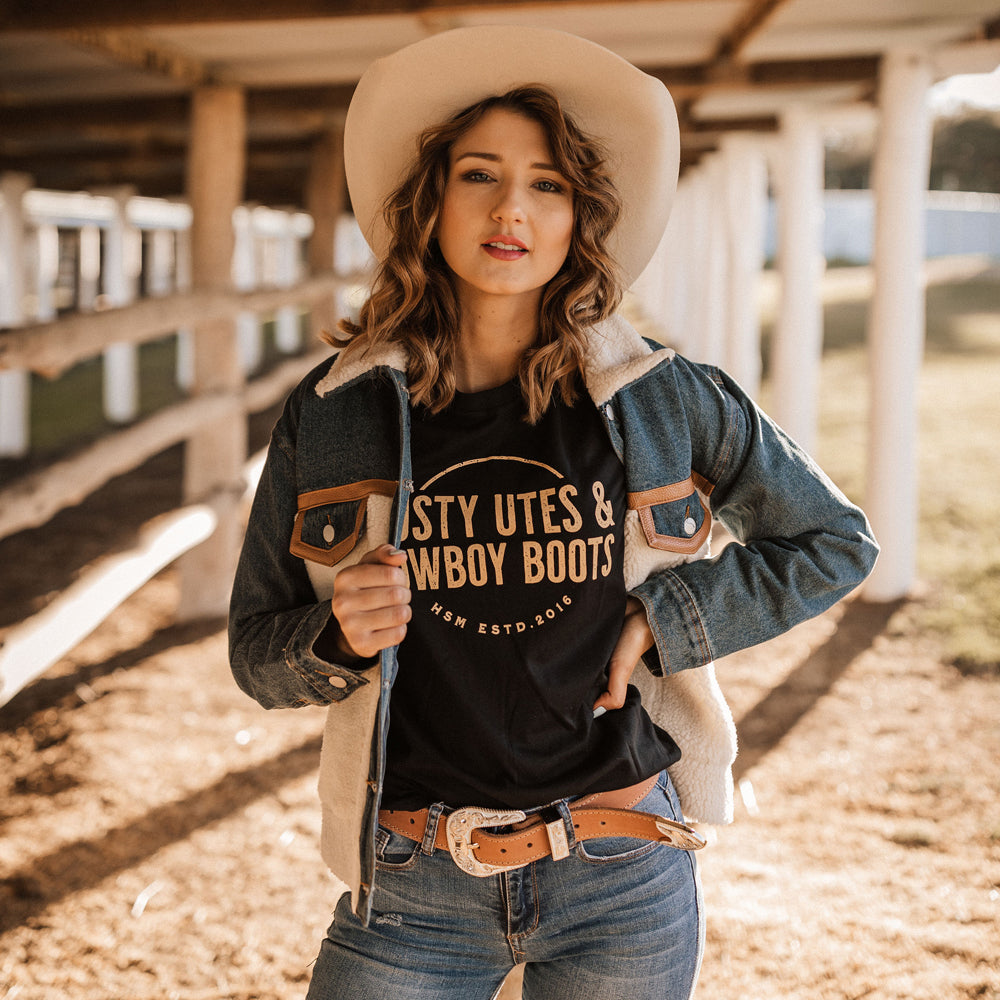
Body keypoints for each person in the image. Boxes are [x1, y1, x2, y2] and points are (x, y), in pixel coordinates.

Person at [228, 25, 878, 1000]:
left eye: (546, 184)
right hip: (411, 887)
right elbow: (254, 648)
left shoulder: (664, 399)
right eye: (478, 175)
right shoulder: (337, 414)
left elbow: (834, 541)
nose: (511, 209)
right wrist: (335, 636)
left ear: (579, 215)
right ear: (430, 201)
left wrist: (668, 617)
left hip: (621, 870)